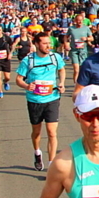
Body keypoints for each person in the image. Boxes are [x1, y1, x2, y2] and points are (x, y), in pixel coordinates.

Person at [16, 32, 66, 171]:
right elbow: (19, 79)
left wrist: (61, 83)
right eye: (44, 43)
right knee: (37, 132)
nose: (48, 46)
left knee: (52, 132)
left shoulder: (55, 57)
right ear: (37, 44)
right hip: (35, 100)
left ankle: (51, 164)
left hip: (52, 98)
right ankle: (37, 153)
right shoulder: (28, 60)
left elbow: (61, 70)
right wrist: (27, 86)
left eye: (49, 43)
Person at [69, 12, 92, 83]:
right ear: (75, 21)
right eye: (78, 20)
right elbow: (66, 37)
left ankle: (81, 85)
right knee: (76, 70)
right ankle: (75, 87)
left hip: (83, 51)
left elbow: (92, 38)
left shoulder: (86, 28)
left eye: (81, 20)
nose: (79, 22)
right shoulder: (71, 28)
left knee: (82, 69)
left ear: (83, 20)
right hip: (74, 51)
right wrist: (66, 44)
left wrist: (86, 39)